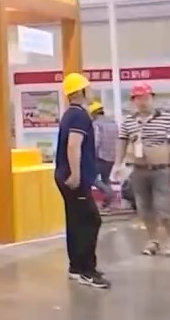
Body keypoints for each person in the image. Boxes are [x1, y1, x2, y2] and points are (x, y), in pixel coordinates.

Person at [112, 83, 170, 257]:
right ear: (133, 101)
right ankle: (153, 240)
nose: (142, 102)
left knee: (163, 207)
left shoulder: (168, 119)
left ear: (152, 98)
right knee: (144, 208)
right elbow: (121, 142)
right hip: (138, 170)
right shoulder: (129, 121)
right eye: (138, 98)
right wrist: (117, 164)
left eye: (146, 98)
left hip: (162, 170)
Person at [54, 73, 109, 288]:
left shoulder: (70, 114)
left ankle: (76, 267)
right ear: (81, 91)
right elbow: (73, 145)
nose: (92, 91)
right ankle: (87, 270)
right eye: (89, 87)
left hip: (64, 175)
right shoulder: (79, 116)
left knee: (76, 221)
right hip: (74, 178)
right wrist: (76, 174)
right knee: (90, 221)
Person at [89, 101, 119, 211]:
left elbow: (96, 141)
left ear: (94, 114)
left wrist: (91, 155)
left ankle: (109, 193)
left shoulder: (96, 124)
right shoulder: (113, 123)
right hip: (112, 157)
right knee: (106, 179)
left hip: (100, 157)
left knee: (90, 177)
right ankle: (108, 202)